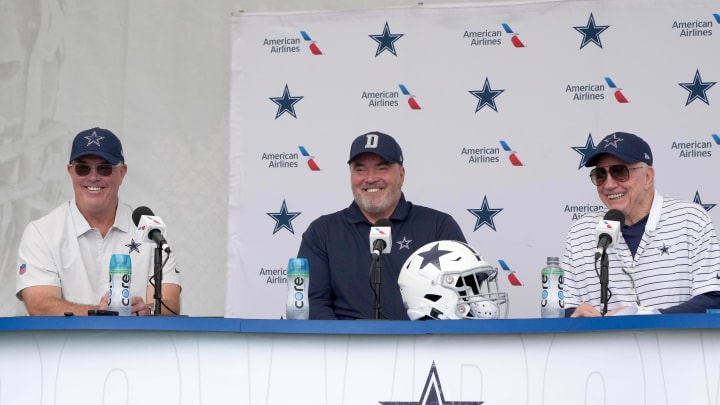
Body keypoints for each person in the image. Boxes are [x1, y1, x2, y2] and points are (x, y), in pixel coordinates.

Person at [297, 131, 467, 320]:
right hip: (346, 347)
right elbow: (312, 304)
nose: (370, 178)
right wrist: (347, 345)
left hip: (423, 345)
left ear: (401, 175)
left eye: (382, 168)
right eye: (360, 169)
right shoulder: (322, 232)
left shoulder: (438, 227)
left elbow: (460, 300)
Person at [16, 127, 182, 316]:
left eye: (104, 168)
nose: (93, 177)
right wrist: (102, 313)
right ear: (70, 171)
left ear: (123, 172)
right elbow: (40, 305)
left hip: (136, 345)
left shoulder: (152, 230)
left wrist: (147, 311)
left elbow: (170, 303)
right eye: (83, 168)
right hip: (66, 346)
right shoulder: (41, 232)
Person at [562, 131, 720, 317]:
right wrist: (575, 316)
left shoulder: (690, 219)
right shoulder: (580, 232)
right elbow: (565, 307)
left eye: (619, 171)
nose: (609, 184)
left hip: (675, 344)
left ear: (647, 177)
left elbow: (713, 298)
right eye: (600, 174)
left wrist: (648, 317)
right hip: (604, 345)